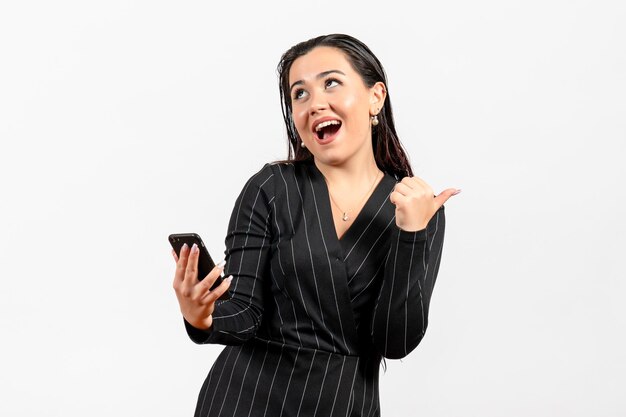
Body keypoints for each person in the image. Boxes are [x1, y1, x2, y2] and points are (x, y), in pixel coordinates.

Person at [171, 33, 460, 417]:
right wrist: (201, 316)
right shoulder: (271, 188)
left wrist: (411, 235)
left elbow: (395, 341)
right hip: (242, 400)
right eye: (299, 94)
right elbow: (243, 312)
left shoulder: (421, 210)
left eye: (331, 82)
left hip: (342, 404)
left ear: (376, 97)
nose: (314, 103)